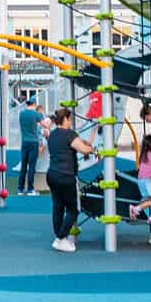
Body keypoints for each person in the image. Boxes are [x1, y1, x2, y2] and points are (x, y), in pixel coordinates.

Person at [45, 106, 92, 254]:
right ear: (65, 119)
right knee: (74, 209)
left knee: (58, 207)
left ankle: (59, 237)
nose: (71, 122)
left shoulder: (52, 135)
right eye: (70, 119)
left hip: (52, 175)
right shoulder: (69, 134)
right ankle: (61, 238)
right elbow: (84, 149)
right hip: (66, 176)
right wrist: (92, 149)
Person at [16, 95, 42, 196]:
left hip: (24, 143)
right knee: (31, 167)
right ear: (34, 104)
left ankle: (20, 189)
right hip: (34, 143)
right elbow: (46, 125)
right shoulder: (36, 114)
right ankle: (30, 189)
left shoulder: (21, 114)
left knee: (23, 166)